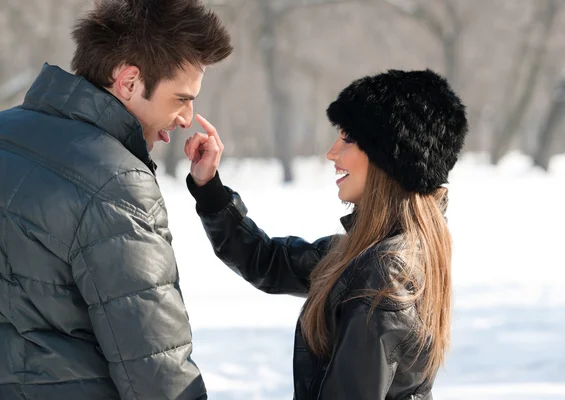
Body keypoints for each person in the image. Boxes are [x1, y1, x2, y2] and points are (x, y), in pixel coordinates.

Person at [184, 69, 468, 399]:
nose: (332, 153)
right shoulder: (369, 254)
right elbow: (267, 261)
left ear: (388, 158)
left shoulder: (385, 272)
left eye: (347, 138)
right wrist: (209, 189)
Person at [0, 0, 232, 399]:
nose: (186, 117)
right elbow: (157, 369)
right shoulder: (116, 183)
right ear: (128, 82)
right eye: (180, 98)